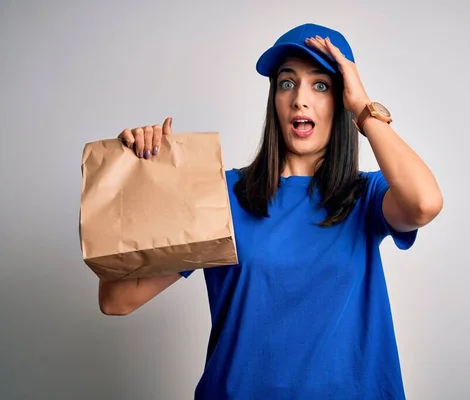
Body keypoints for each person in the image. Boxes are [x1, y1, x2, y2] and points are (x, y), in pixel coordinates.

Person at [101, 23, 443, 400]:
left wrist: (363, 109)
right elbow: (118, 298)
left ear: (341, 100)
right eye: (286, 83)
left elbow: (424, 204)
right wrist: (140, 178)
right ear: (274, 100)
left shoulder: (366, 196)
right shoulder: (223, 195)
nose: (300, 99)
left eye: (321, 85)